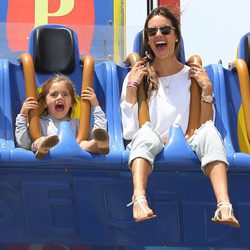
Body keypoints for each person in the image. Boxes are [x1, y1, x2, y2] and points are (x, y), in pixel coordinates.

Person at [120, 6, 240, 227]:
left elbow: (206, 125)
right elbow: (129, 132)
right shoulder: (138, 76)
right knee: (146, 135)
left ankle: (224, 205)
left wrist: (206, 90)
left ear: (176, 36)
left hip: (189, 141)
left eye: (165, 30)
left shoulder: (191, 75)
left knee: (211, 135)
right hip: (150, 142)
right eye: (152, 32)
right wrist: (130, 90)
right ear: (147, 39)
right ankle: (138, 199)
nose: (158, 36)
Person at [15, 74, 109, 159]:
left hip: (74, 155)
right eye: (54, 94)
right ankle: (43, 145)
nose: (60, 97)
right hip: (50, 155)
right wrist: (22, 115)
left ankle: (98, 145)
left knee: (86, 143)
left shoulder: (78, 124)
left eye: (65, 94)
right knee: (38, 141)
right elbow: (23, 144)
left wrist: (96, 106)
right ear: (44, 102)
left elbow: (100, 132)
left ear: (72, 102)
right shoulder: (38, 123)